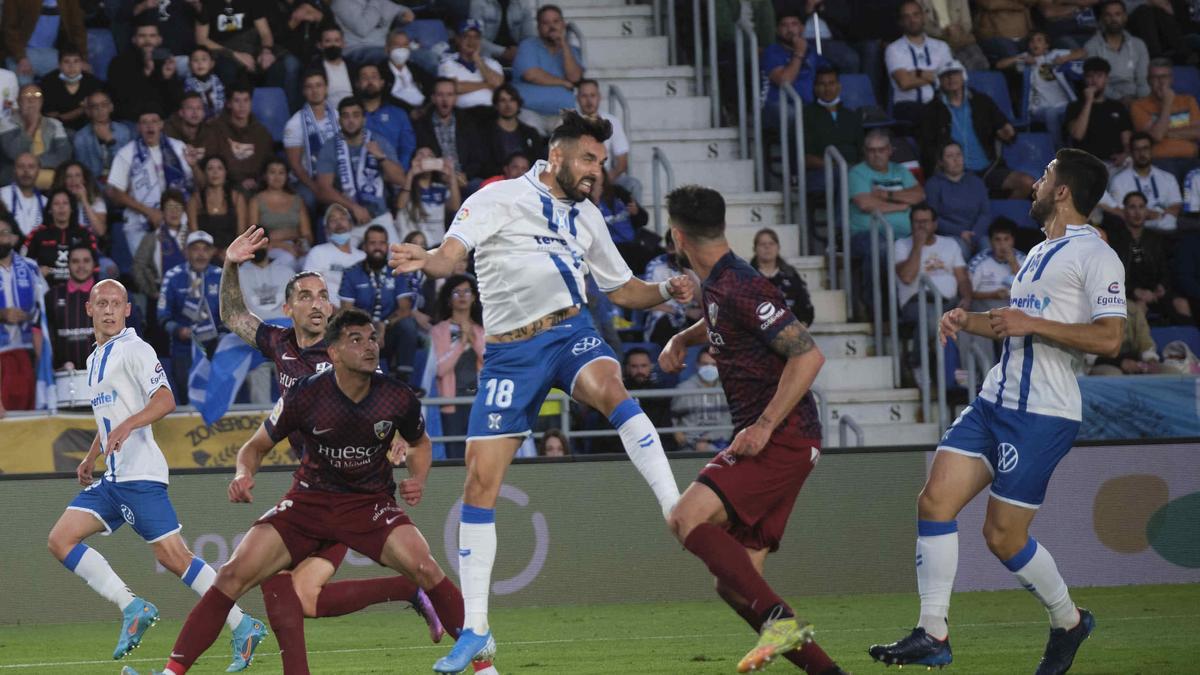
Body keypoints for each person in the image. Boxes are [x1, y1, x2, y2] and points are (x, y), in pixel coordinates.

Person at [389, 110, 689, 672]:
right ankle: (475, 629)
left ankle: (676, 507)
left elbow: (623, 290)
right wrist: (426, 260)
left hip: (570, 331)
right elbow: (450, 257)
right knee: (480, 483)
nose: (596, 172)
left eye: (600, 162)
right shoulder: (497, 198)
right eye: (587, 160)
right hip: (507, 354)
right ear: (556, 157)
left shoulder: (590, 216)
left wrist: (666, 290)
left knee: (611, 386)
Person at [868, 148, 1124, 672]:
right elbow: (1013, 322)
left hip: (1043, 413)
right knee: (934, 501)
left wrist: (1034, 325)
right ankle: (933, 633)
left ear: (1063, 191)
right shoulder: (1035, 253)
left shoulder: (1097, 254)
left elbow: (1111, 338)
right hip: (994, 399)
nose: (1035, 182)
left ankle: (1069, 621)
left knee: (1002, 536)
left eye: (1046, 175)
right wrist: (967, 319)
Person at [124, 308, 480, 675]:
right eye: (355, 340)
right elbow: (255, 446)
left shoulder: (397, 397)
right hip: (309, 502)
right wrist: (244, 473)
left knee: (424, 565)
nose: (368, 346)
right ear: (334, 353)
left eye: (372, 337)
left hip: (367, 503)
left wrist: (418, 480)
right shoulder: (305, 394)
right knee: (233, 575)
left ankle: (484, 667)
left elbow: (420, 443)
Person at [218, 227, 446, 674]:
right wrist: (230, 264)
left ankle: (412, 594)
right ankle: (407, 590)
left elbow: (388, 402)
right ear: (289, 308)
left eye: (324, 295)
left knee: (283, 586)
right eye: (306, 295)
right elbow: (232, 315)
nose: (318, 303)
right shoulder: (279, 344)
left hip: (353, 490)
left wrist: (399, 439)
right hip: (312, 487)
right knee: (294, 593)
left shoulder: (347, 351)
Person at [654, 184, 843, 673]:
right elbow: (724, 319)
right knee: (734, 581)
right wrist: (682, 336)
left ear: (677, 236)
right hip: (788, 441)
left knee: (685, 516)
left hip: (782, 437)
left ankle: (780, 622)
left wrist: (762, 425)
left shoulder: (741, 284)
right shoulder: (719, 284)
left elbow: (808, 355)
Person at [45, 278, 267, 670]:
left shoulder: (135, 349)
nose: (110, 310)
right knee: (60, 540)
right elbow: (109, 419)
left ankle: (242, 624)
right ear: (90, 310)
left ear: (128, 310)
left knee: (174, 558)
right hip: (113, 478)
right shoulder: (95, 357)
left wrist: (128, 426)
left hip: (140, 475)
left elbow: (164, 399)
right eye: (103, 303)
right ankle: (132, 606)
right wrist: (91, 455)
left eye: (117, 303)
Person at [918, 60, 1036, 200]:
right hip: (956, 172)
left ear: (963, 76)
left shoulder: (982, 101)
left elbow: (1005, 128)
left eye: (955, 73)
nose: (951, 78)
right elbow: (927, 146)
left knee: (1027, 183)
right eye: (945, 75)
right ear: (939, 81)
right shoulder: (931, 110)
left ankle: (1002, 209)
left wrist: (1008, 133)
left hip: (988, 168)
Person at [107, 106, 201, 259]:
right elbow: (114, 192)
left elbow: (195, 187)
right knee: (146, 271)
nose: (150, 126)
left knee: (178, 268)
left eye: (154, 121)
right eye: (145, 122)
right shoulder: (126, 153)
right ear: (138, 127)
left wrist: (195, 166)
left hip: (178, 220)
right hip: (139, 223)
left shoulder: (178, 148)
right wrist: (149, 212)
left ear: (161, 124)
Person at [315, 96, 406, 234]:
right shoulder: (330, 147)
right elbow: (323, 191)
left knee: (395, 254)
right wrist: (353, 207)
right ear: (339, 121)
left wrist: (381, 158)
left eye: (356, 115)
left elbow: (400, 179)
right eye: (346, 116)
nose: (351, 121)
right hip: (345, 220)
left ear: (364, 119)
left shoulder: (379, 142)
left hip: (380, 216)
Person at [339, 224, 420, 374]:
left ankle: (404, 380)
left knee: (408, 325)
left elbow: (405, 309)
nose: (378, 247)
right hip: (359, 330)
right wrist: (371, 327)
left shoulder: (398, 271)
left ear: (387, 246)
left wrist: (384, 325)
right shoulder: (351, 273)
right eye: (373, 243)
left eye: (382, 243)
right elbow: (346, 310)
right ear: (364, 246)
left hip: (388, 330)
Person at [157, 230, 224, 401]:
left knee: (214, 398)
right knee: (188, 397)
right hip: (183, 348)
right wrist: (178, 330)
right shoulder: (173, 276)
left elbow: (230, 313)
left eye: (205, 249)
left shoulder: (222, 276)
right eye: (195, 249)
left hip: (216, 346)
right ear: (186, 252)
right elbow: (162, 315)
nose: (200, 254)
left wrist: (223, 336)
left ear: (212, 252)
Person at [426, 273, 485, 459]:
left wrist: (472, 337)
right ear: (448, 299)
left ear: (474, 297)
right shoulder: (439, 331)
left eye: (467, 291)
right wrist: (461, 342)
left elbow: (488, 360)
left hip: (477, 401)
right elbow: (440, 369)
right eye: (456, 292)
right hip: (450, 402)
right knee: (455, 455)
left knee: (478, 456)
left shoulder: (481, 330)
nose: (462, 296)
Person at [993, 30, 1083, 151]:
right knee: (1051, 113)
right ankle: (1059, 150)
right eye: (1032, 41)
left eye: (1039, 40)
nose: (1035, 43)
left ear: (1046, 45)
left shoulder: (1054, 54)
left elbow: (1083, 52)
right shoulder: (1025, 59)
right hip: (1039, 109)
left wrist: (1065, 58)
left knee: (1082, 107)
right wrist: (1019, 58)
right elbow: (999, 65)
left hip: (1064, 106)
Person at [894, 203, 972, 337]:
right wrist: (918, 246)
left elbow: (963, 278)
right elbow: (907, 277)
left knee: (975, 323)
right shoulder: (901, 245)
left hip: (949, 302)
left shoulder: (950, 243)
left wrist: (966, 297)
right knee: (932, 321)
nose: (921, 226)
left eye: (925, 222)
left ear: (935, 224)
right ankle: (920, 358)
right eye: (917, 222)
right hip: (917, 303)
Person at [0, 213, 46, 415]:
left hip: (28, 353)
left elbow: (44, 310)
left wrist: (27, 317)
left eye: (3, 233)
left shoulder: (30, 267)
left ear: (14, 238)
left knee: (26, 417)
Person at [1109, 190, 1179, 322]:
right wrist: (1134, 292)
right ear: (1124, 212)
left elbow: (1164, 270)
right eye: (1132, 207)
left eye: (1141, 207)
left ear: (1146, 211)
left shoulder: (1155, 239)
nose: (1137, 212)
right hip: (1126, 294)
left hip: (1154, 294)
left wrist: (1162, 286)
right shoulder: (1115, 240)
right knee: (1139, 308)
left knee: (1181, 304)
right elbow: (1110, 277)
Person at [513, 4, 584, 129]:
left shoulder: (571, 50)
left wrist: (564, 44)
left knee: (570, 135)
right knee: (530, 132)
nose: (552, 27)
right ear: (539, 27)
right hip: (529, 111)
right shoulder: (528, 45)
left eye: (556, 21)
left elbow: (574, 78)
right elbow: (531, 75)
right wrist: (563, 82)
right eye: (546, 23)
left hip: (563, 113)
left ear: (563, 24)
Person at [885, 0, 953, 127]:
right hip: (907, 105)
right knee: (935, 115)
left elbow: (950, 79)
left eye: (916, 14)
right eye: (907, 16)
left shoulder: (941, 46)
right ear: (901, 22)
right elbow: (904, 83)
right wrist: (936, 76)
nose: (912, 20)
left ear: (924, 17)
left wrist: (917, 73)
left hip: (940, 103)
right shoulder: (894, 49)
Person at [1130, 58, 1200, 180]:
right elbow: (1156, 136)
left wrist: (1166, 132)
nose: (1161, 82)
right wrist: (1167, 103)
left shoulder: (1188, 100)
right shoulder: (1138, 106)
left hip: (1191, 159)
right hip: (1161, 161)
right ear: (1148, 81)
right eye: (1155, 78)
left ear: (1171, 79)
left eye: (1165, 77)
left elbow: (1198, 132)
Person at [849, 129, 924, 242]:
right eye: (871, 150)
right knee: (883, 248)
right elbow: (866, 204)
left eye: (881, 150)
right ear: (865, 151)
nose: (877, 154)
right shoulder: (857, 173)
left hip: (905, 234)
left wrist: (886, 194)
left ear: (889, 150)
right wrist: (901, 206)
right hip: (868, 233)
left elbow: (919, 196)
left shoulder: (901, 170)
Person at [413, 78, 489, 188]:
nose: (445, 99)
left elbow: (478, 157)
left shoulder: (467, 122)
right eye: (440, 95)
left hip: (466, 179)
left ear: (455, 98)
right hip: (436, 180)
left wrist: (466, 175)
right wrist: (441, 176)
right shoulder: (422, 125)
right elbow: (421, 156)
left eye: (449, 95)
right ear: (433, 98)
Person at [202, 85, 275, 195]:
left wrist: (258, 181)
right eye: (237, 101)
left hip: (258, 184)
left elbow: (268, 163)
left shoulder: (262, 132)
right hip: (227, 184)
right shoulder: (215, 129)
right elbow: (212, 163)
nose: (242, 106)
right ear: (229, 104)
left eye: (246, 100)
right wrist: (238, 181)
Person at [924, 141, 991, 258]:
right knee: (961, 250)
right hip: (948, 235)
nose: (956, 160)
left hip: (976, 233)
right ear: (941, 162)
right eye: (950, 156)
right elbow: (932, 218)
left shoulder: (976, 182)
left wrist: (974, 234)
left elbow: (985, 213)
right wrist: (960, 232)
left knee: (987, 248)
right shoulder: (933, 184)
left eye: (958, 155)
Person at [576, 78, 639, 202]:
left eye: (592, 95)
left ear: (599, 97)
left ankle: (629, 220)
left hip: (608, 177)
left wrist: (604, 181)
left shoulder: (612, 122)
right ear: (577, 98)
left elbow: (622, 162)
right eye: (584, 96)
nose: (589, 101)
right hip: (578, 178)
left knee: (633, 185)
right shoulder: (569, 122)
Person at [284, 70, 339, 213]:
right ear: (304, 91)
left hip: (337, 176)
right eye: (309, 87)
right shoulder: (295, 123)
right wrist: (317, 189)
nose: (315, 91)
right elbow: (295, 165)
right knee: (309, 200)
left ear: (326, 88)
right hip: (307, 180)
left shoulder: (338, 117)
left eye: (319, 85)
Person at [1064, 56, 1132, 170]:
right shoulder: (1074, 107)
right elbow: (1077, 135)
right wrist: (1089, 101)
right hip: (1086, 165)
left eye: (1099, 76)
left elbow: (1127, 140)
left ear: (1106, 79)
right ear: (1085, 79)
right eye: (1090, 76)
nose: (1094, 81)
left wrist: (1125, 154)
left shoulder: (1117, 107)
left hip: (1115, 163)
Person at [1105, 131, 1183, 231]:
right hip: (1134, 227)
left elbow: (1176, 205)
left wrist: (1160, 215)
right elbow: (1119, 210)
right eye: (1137, 149)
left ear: (1152, 150)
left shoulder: (1168, 177)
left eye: (1145, 148)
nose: (1142, 153)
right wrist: (1146, 214)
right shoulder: (1119, 180)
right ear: (1131, 152)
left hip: (1165, 226)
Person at [23, 188, 100, 287]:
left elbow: (96, 267)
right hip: (45, 289)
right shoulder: (37, 234)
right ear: (50, 209)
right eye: (56, 204)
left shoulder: (85, 234)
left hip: (80, 289)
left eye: (65, 203)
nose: (61, 207)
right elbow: (23, 263)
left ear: (71, 208)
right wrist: (36, 272)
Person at [0, 84, 72, 189]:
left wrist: (35, 163)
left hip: (48, 172)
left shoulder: (54, 124)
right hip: (16, 175)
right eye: (27, 95)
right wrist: (32, 126)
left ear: (41, 101)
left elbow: (63, 155)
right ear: (18, 101)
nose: (31, 100)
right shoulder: (7, 122)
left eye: (36, 95)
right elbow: (14, 153)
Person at [0, 0, 88, 84]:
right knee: (25, 88)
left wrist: (83, 59)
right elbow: (9, 29)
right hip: (22, 52)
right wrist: (20, 57)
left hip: (52, 52)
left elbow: (77, 28)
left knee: (74, 79)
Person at [762, 11, 828, 119]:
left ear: (802, 28)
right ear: (777, 30)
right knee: (792, 115)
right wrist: (799, 53)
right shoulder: (771, 52)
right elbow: (785, 81)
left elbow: (826, 73)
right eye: (784, 25)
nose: (790, 29)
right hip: (776, 105)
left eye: (794, 24)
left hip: (806, 105)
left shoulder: (811, 51)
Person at [1084, 0, 1151, 103]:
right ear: (1102, 19)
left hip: (1137, 98)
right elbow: (1095, 83)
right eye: (1108, 15)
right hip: (1107, 99)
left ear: (1125, 17)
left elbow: (1143, 80)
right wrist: (1119, 98)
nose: (1113, 19)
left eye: (1117, 14)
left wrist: (1143, 100)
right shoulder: (1091, 46)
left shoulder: (1138, 44)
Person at [249, 158, 313, 263]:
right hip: (269, 247)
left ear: (287, 176)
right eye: (272, 172)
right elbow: (254, 237)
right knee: (287, 259)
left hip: (295, 246)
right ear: (265, 176)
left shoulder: (297, 200)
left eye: (281, 172)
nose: (277, 177)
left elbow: (307, 234)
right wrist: (282, 245)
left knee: (310, 259)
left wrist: (301, 245)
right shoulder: (256, 201)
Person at [44, 243, 97, 371]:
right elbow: (44, 336)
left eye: (86, 261)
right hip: (62, 376)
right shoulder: (52, 296)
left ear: (94, 264)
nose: (81, 266)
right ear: (68, 264)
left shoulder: (108, 294)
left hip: (104, 377)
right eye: (75, 261)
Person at [803, 66, 864, 175]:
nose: (827, 89)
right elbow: (806, 157)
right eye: (822, 84)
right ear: (815, 88)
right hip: (822, 172)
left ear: (838, 86)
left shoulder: (851, 116)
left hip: (853, 170)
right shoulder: (806, 115)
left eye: (831, 83)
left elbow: (862, 150)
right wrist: (838, 166)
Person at [133, 190, 189, 307]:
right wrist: (151, 292)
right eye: (169, 208)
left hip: (189, 295)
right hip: (159, 295)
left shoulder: (191, 238)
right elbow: (137, 267)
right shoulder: (151, 238)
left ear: (183, 212)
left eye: (178, 207)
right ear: (162, 211)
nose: (174, 212)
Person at [397, 147, 462, 247]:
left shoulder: (440, 188)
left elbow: (455, 206)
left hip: (437, 246)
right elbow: (400, 205)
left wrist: (451, 174)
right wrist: (411, 173)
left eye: (430, 155)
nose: (426, 158)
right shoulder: (407, 186)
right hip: (414, 246)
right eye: (421, 154)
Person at [358, 64, 417, 176]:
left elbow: (407, 148)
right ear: (357, 84)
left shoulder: (399, 114)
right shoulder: (350, 115)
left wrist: (399, 172)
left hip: (394, 177)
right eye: (364, 78)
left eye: (374, 77)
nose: (370, 81)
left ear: (382, 82)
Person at [669, 350, 733, 452]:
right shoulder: (683, 389)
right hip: (690, 446)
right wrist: (693, 442)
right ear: (697, 365)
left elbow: (728, 423)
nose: (709, 368)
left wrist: (708, 440)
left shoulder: (728, 389)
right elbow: (674, 421)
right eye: (705, 364)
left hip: (721, 444)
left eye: (714, 364)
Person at [440, 20, 506, 117]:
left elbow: (498, 85)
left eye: (476, 37)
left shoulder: (491, 63)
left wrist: (478, 60)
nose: (471, 41)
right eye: (466, 36)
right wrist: (486, 85)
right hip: (463, 115)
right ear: (458, 39)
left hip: (492, 113)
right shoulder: (447, 62)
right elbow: (453, 88)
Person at [750, 227, 815, 325]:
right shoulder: (746, 276)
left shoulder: (791, 275)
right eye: (762, 244)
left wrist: (798, 331)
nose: (767, 247)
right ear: (755, 249)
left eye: (771, 243)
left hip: (789, 333)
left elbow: (806, 308)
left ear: (778, 247)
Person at [188, 155, 247, 256]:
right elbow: (195, 235)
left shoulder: (237, 198)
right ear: (204, 173)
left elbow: (241, 233)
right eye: (210, 168)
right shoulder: (195, 200)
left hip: (232, 253)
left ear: (225, 173)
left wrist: (230, 252)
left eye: (219, 168)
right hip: (204, 254)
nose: (215, 172)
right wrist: (212, 252)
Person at [75, 91, 137, 185]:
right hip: (94, 184)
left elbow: (126, 164)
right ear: (88, 111)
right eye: (95, 107)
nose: (100, 110)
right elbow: (84, 171)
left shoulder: (123, 131)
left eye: (104, 105)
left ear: (111, 107)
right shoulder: (81, 137)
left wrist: (110, 141)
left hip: (121, 181)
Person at [967, 217, 1027, 314]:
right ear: (990, 242)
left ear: (1013, 240)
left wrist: (1014, 264)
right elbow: (968, 294)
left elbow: (1032, 290)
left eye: (1006, 239)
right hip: (985, 307)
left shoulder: (1024, 259)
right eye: (997, 240)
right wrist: (992, 295)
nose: (1002, 244)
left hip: (1016, 308)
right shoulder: (978, 261)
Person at [331, 0, 412, 67]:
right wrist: (376, 2)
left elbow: (399, 10)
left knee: (419, 54)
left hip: (383, 48)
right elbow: (362, 29)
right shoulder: (341, 3)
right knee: (403, 57)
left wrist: (404, 14)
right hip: (357, 50)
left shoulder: (381, 2)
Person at [304, 204, 364, 292]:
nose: (339, 223)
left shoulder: (362, 257)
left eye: (343, 218)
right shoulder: (318, 252)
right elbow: (309, 287)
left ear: (351, 225)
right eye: (333, 220)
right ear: (326, 230)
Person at [40, 47, 102, 132]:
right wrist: (82, 109)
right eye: (66, 62)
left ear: (82, 64)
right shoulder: (48, 83)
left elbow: (99, 112)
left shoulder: (92, 81)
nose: (72, 66)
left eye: (76, 61)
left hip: (88, 129)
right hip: (58, 130)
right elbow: (54, 119)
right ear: (59, 65)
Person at [486, 84, 546, 171]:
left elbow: (538, 162)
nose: (508, 105)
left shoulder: (530, 133)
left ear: (518, 104)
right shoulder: (486, 133)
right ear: (496, 105)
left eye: (512, 100)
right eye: (503, 100)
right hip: (496, 179)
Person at [472, 0, 538, 65]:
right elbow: (474, 39)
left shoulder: (523, 3)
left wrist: (520, 51)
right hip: (487, 57)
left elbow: (529, 38)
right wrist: (503, 52)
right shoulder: (478, 3)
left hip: (517, 57)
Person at [54, 160, 108, 238]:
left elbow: (100, 231)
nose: (73, 180)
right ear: (63, 180)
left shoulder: (97, 202)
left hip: (88, 247)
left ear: (84, 179)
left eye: (77, 175)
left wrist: (84, 201)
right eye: (68, 176)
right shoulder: (55, 201)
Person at [0, 152, 47, 238]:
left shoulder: (46, 203)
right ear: (14, 169)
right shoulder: (2, 195)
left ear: (38, 170)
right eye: (21, 166)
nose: (26, 171)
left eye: (31, 167)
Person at [182, 46, 225, 120]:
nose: (200, 63)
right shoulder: (188, 84)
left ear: (212, 63)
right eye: (195, 60)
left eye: (204, 59)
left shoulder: (216, 80)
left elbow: (221, 100)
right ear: (189, 65)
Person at [315, 26, 354, 106]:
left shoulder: (353, 66)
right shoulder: (314, 68)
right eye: (328, 41)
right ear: (320, 45)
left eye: (337, 40)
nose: (333, 45)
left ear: (343, 44)